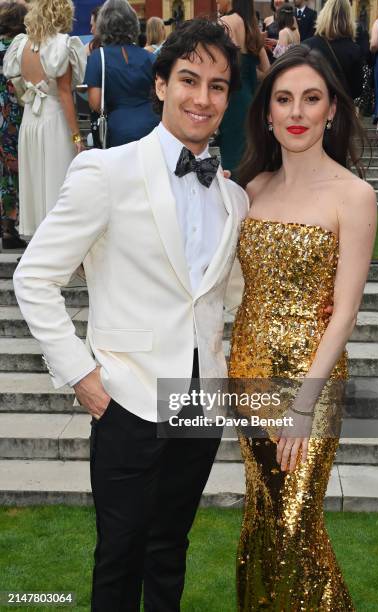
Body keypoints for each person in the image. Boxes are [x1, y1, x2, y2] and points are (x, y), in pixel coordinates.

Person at [13, 18, 248, 612]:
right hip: (127, 395)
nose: (203, 97)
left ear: (228, 97)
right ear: (161, 85)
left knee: (170, 548)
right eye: (189, 80)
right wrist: (82, 376)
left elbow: (224, 297)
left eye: (217, 86)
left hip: (198, 397)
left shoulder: (233, 197)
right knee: (119, 554)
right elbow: (33, 277)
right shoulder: (105, 172)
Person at [229, 45, 377, 609]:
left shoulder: (354, 195)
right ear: (267, 111)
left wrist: (303, 404)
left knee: (297, 525)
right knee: (263, 521)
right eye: (284, 98)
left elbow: (345, 313)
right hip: (246, 374)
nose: (297, 111)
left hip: (310, 382)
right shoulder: (251, 189)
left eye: (311, 99)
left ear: (332, 110)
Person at [3, 0, 86, 238]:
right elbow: (64, 95)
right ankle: (58, 241)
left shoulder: (22, 45)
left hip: (30, 120)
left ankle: (38, 242)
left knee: (34, 181)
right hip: (53, 120)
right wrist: (77, 136)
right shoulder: (62, 45)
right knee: (59, 183)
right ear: (62, 13)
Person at [85, 0, 159, 148]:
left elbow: (95, 103)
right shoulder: (150, 57)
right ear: (133, 24)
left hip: (118, 130)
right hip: (153, 128)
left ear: (103, 25)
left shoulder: (98, 57)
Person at [218, 0, 270, 179]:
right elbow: (267, 71)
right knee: (249, 159)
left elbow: (223, 68)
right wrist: (249, 71)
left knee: (232, 161)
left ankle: (235, 202)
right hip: (251, 100)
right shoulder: (252, 27)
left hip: (232, 103)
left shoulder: (224, 23)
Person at [0, 0, 27, 249]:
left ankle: (6, 227)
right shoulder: (21, 47)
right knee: (18, 171)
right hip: (15, 117)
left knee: (4, 174)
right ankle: (15, 226)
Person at [304, 0, 364, 101]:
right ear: (349, 18)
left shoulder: (307, 45)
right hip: (341, 110)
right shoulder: (354, 50)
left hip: (313, 108)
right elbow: (357, 90)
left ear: (323, 15)